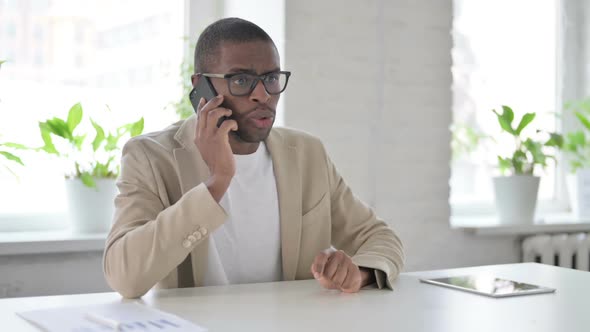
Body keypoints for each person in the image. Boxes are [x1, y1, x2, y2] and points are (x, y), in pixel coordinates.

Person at [103, 17, 404, 299]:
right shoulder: (150, 157)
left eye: (271, 78)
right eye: (241, 80)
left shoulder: (307, 154)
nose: (263, 95)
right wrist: (217, 182)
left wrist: (360, 274)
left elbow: (379, 238)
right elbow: (124, 278)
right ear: (201, 86)